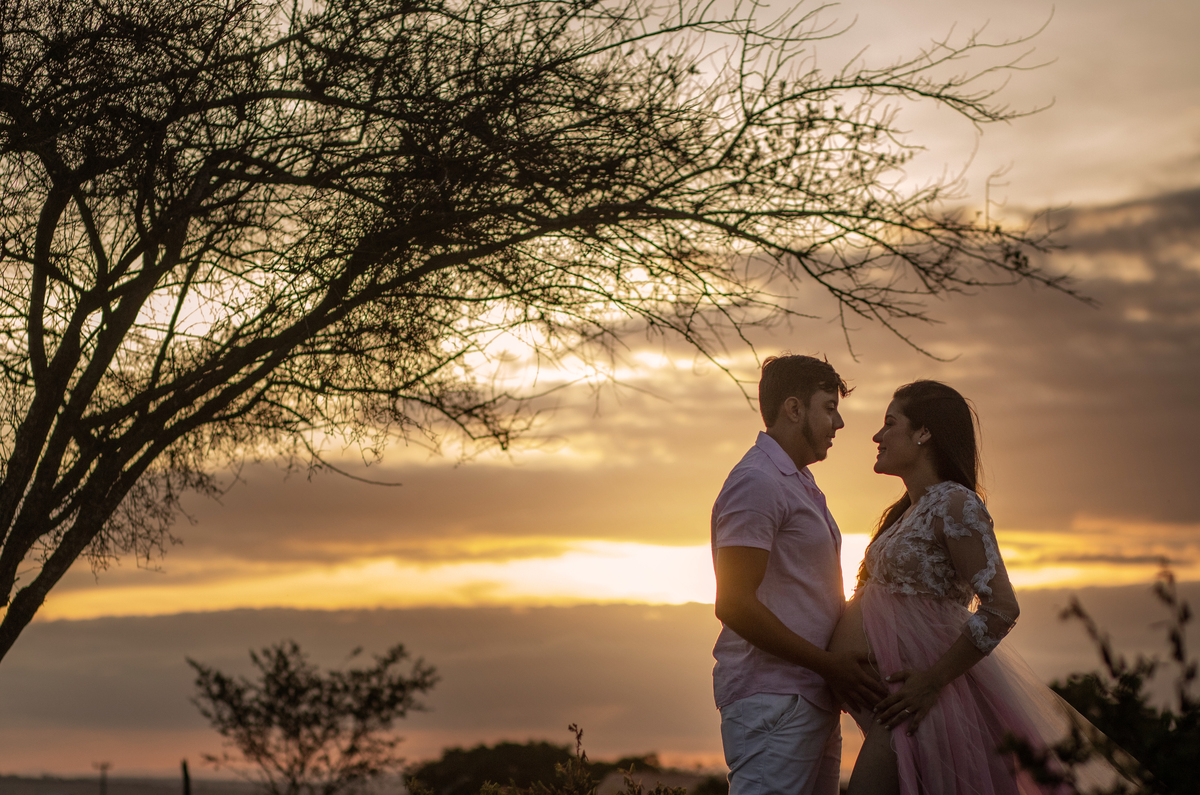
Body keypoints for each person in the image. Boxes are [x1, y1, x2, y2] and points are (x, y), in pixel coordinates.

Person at [829, 380, 1130, 795]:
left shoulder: (956, 504)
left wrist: (932, 681)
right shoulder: (908, 511)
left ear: (924, 432)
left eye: (890, 423)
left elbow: (1001, 606)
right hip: (891, 706)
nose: (878, 436)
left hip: (919, 705)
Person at [712, 354, 888, 795]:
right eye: (829, 407)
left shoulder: (798, 482)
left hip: (810, 695)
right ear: (793, 409)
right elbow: (733, 603)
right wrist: (831, 666)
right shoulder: (757, 481)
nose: (840, 422)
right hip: (775, 700)